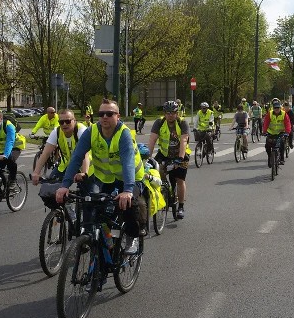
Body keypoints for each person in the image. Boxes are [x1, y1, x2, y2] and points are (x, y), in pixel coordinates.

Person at [58, 99, 147, 252]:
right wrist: (64, 186)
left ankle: (132, 238)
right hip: (106, 178)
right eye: (101, 114)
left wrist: (128, 190)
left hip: (131, 178)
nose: (105, 117)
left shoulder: (123, 134)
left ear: (117, 116)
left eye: (109, 114)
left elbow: (128, 163)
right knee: (97, 208)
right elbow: (76, 158)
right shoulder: (91, 131)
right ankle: (106, 241)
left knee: (129, 207)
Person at [147, 101, 191, 219]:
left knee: (180, 180)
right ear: (164, 113)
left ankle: (181, 206)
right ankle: (163, 192)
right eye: (168, 113)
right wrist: (146, 157)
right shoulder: (159, 122)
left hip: (180, 155)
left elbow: (183, 141)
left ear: (177, 113)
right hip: (164, 154)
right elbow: (152, 140)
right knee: (155, 173)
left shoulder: (182, 123)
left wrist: (180, 158)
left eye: (173, 113)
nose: (170, 115)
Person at [32, 109, 90, 185]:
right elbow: (45, 153)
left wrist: (84, 173)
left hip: (87, 167)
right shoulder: (57, 131)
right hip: (67, 165)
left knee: (87, 194)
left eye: (68, 121)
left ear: (74, 121)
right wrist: (36, 172)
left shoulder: (81, 130)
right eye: (61, 122)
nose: (64, 124)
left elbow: (84, 154)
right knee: (50, 187)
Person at [262, 98, 292, 166]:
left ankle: (281, 159)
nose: (277, 109)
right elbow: (266, 123)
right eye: (275, 108)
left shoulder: (284, 114)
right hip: (271, 132)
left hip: (280, 132)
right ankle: (270, 157)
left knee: (281, 145)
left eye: (278, 108)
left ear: (280, 108)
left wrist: (287, 132)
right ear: (273, 108)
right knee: (267, 146)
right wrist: (264, 131)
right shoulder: (270, 114)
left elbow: (287, 124)